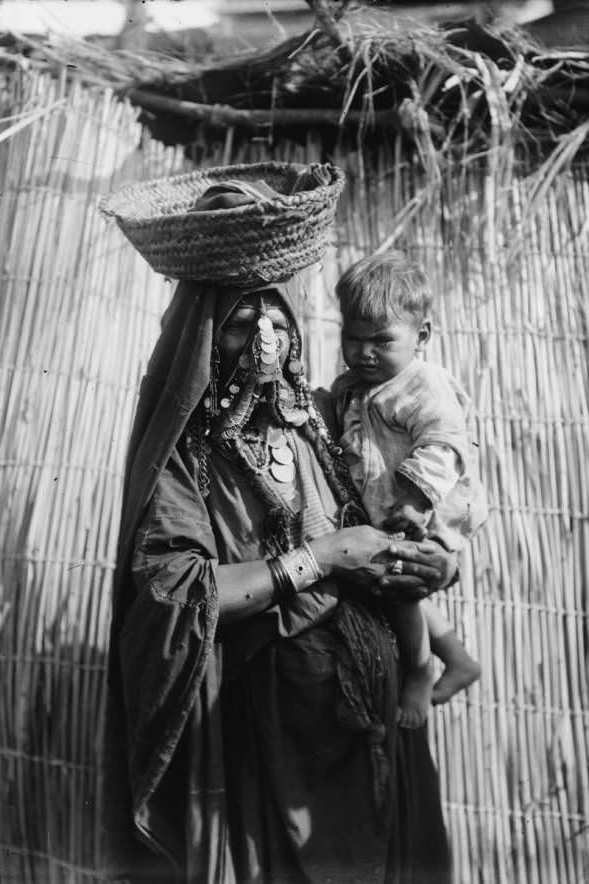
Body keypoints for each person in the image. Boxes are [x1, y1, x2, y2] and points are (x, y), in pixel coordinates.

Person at [104, 165, 456, 884]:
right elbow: (176, 592)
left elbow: (397, 517)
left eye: (276, 321)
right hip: (275, 739)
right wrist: (322, 557)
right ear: (206, 336)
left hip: (375, 715)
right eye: (240, 323)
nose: (264, 340)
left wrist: (435, 566)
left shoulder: (323, 419)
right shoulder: (186, 459)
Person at [332, 251, 488, 729]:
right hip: (396, 509)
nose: (365, 352)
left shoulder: (424, 386)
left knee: (398, 589)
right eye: (353, 338)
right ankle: (458, 657)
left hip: (427, 508)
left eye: (382, 340)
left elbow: (445, 444)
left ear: (422, 336)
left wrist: (417, 500)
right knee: (406, 590)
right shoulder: (357, 385)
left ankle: (419, 672)